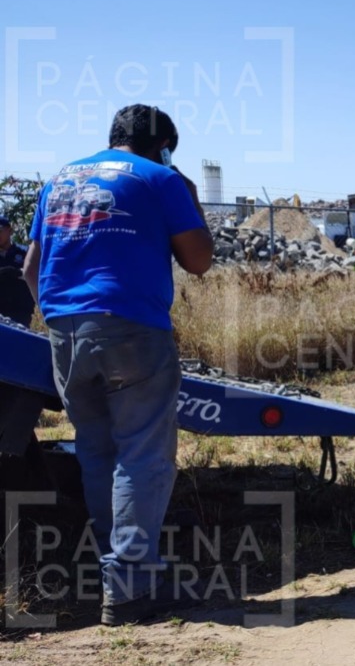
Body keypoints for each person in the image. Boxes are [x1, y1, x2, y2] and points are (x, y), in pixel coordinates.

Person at [22, 104, 214, 626]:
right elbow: (199, 260)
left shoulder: (61, 178)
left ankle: (122, 573)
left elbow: (30, 266)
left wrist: (62, 316)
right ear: (165, 146)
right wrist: (188, 194)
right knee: (142, 455)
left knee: (97, 453)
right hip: (131, 329)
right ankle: (130, 589)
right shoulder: (161, 177)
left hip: (64, 330)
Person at [0, 216, 35, 326]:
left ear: (10, 231)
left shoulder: (25, 253)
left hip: (21, 312)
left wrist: (18, 272)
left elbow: (36, 274)